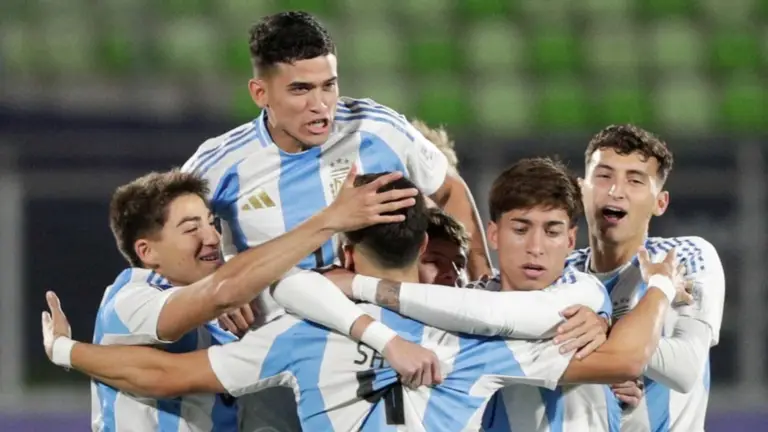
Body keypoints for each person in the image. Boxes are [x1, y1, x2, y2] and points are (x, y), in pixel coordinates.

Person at [43, 174, 686, 432]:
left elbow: (163, 373)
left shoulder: (294, 334)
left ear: (346, 253)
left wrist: (66, 350)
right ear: (423, 249)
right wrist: (652, 290)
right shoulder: (481, 338)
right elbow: (625, 359)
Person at [181, 11, 491, 328]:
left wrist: (483, 278)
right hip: (273, 342)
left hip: (386, 336)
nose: (319, 105)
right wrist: (207, 286)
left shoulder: (376, 128)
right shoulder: (221, 163)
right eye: (300, 89)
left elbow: (449, 189)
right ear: (261, 93)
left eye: (328, 85)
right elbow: (165, 239)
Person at [324, 158, 678, 431]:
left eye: (552, 232)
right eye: (520, 229)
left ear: (570, 241)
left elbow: (497, 316)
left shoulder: (583, 293)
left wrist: (358, 285)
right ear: (493, 235)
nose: (536, 247)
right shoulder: (465, 304)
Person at [81, 168, 439, 431]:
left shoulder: (227, 299)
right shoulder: (130, 300)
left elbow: (288, 287)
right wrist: (330, 220)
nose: (211, 237)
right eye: (191, 229)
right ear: (147, 251)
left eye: (211, 222)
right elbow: (221, 293)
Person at [566, 125, 725, 431]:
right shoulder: (560, 273)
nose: (616, 190)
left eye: (635, 180)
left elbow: (685, 369)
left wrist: (605, 331)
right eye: (604, 176)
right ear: (581, 190)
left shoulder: (684, 257)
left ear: (659, 203)